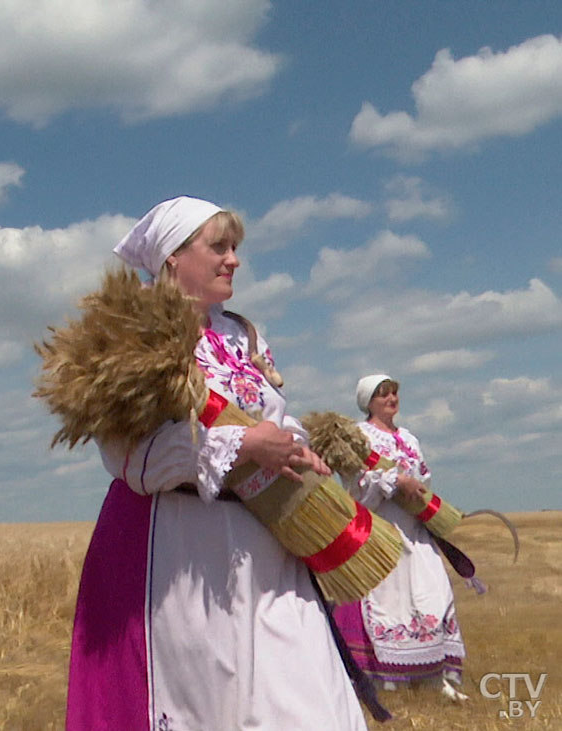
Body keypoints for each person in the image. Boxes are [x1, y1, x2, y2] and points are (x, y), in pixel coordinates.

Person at [65, 196, 368, 730]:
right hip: (184, 549)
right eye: (219, 247)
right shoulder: (127, 337)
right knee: (213, 695)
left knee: (306, 688)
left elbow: (275, 414)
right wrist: (242, 448)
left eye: (236, 248)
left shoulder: (242, 336)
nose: (234, 260)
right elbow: (130, 458)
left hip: (269, 540)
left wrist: (291, 444)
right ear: (173, 259)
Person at [331, 375, 468, 701]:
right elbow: (356, 482)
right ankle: (387, 680)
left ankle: (434, 673)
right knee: (391, 600)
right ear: (369, 401)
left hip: (415, 529)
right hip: (383, 528)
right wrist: (393, 482)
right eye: (383, 394)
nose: (391, 398)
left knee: (433, 593)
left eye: (394, 392)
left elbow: (423, 476)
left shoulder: (409, 437)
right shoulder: (358, 436)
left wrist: (420, 495)